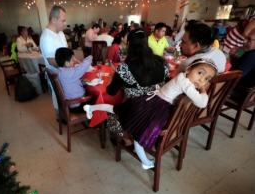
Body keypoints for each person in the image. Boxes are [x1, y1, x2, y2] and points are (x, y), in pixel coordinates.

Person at [83, 58, 217, 169]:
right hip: (154, 106)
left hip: (154, 102)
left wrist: (200, 88)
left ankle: (90, 108)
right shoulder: (185, 82)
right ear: (188, 69)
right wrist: (204, 91)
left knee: (117, 110)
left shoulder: (184, 78)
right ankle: (145, 162)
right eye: (200, 73)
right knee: (139, 133)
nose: (202, 81)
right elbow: (202, 103)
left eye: (207, 79)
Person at [105, 28, 169, 146]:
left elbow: (111, 92)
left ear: (129, 44)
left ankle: (128, 138)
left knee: (111, 116)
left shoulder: (125, 68)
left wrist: (112, 76)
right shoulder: (161, 63)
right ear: (146, 43)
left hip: (135, 115)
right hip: (157, 113)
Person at [40, 5, 69, 119]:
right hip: (57, 75)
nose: (65, 23)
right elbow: (52, 61)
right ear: (54, 20)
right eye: (63, 20)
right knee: (60, 100)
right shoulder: (47, 37)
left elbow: (67, 53)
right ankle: (62, 116)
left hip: (66, 72)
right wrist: (69, 65)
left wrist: (74, 61)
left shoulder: (60, 33)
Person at [55, 47, 93, 111]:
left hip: (71, 103)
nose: (74, 61)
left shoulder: (59, 71)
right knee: (98, 98)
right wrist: (91, 56)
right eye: (72, 60)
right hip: (77, 104)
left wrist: (81, 82)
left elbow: (69, 83)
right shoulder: (69, 72)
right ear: (67, 63)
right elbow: (85, 64)